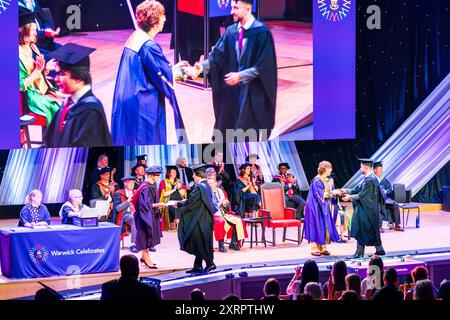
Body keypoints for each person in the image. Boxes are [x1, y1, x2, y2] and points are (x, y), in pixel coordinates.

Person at [186, 0, 277, 139]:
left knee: (247, 133)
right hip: (232, 94)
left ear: (247, 8)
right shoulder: (231, 31)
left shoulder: (262, 33)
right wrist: (201, 68)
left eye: (235, 8)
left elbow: (265, 66)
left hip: (252, 93)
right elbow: (216, 56)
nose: (231, 12)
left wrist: (241, 76)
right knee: (226, 129)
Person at [111, 0, 187, 146]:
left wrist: (172, 68)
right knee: (146, 140)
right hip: (142, 103)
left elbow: (151, 69)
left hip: (127, 98)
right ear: (154, 22)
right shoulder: (148, 45)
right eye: (162, 15)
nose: (165, 19)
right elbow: (162, 76)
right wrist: (183, 73)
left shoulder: (135, 37)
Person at [45, 43, 112, 147]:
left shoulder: (90, 111)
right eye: (57, 73)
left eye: (62, 74)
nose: (56, 79)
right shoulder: (66, 104)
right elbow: (50, 142)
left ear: (79, 77)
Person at [19, 8, 60, 125]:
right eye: (32, 30)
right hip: (28, 98)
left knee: (69, 102)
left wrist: (45, 69)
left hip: (40, 90)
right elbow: (19, 86)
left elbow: (35, 73)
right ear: (22, 31)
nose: (36, 33)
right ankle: (54, 140)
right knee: (58, 109)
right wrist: (37, 71)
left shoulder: (31, 46)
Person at [175, 164, 217, 274]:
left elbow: (191, 201)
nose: (192, 176)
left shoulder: (199, 187)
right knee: (200, 241)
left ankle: (210, 264)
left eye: (193, 174)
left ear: (197, 175)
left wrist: (179, 204)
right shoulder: (206, 185)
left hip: (200, 219)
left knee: (199, 241)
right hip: (204, 217)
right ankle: (197, 265)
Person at [341, 158, 385, 258]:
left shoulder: (371, 180)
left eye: (361, 167)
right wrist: (345, 190)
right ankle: (379, 250)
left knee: (362, 229)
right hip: (367, 209)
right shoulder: (367, 178)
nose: (360, 169)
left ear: (366, 167)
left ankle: (360, 252)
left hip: (368, 210)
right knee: (370, 230)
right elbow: (357, 190)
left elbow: (363, 195)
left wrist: (349, 198)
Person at [131, 166, 167, 269]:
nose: (158, 177)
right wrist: (159, 205)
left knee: (147, 236)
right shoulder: (145, 188)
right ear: (151, 175)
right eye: (157, 175)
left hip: (150, 214)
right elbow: (144, 206)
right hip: (144, 215)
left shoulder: (152, 185)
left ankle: (144, 257)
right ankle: (146, 258)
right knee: (144, 236)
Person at [304, 161, 341, 256]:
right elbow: (321, 195)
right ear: (325, 169)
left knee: (324, 225)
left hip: (323, 205)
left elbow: (330, 191)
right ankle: (314, 247)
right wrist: (333, 193)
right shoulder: (316, 181)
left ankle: (323, 246)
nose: (331, 170)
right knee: (316, 225)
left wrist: (336, 192)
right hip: (314, 206)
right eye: (330, 168)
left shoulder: (328, 180)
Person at [207, 168, 247, 252]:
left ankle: (233, 242)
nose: (210, 185)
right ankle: (221, 244)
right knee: (221, 222)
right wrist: (219, 203)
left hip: (224, 213)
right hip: (213, 214)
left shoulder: (221, 192)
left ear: (216, 183)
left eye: (212, 183)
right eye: (209, 183)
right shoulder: (206, 193)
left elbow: (228, 207)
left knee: (239, 220)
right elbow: (209, 206)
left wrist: (226, 204)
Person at [373, 161, 404, 231]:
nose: (381, 171)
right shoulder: (372, 179)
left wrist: (386, 191)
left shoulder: (383, 179)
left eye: (382, 169)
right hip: (377, 201)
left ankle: (397, 225)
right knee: (379, 206)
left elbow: (390, 187)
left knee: (395, 205)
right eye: (379, 169)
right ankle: (379, 226)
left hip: (385, 200)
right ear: (375, 170)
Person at [113, 176, 138, 253]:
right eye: (130, 182)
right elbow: (118, 208)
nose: (132, 184)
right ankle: (132, 244)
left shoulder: (136, 192)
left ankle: (138, 243)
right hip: (123, 214)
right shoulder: (119, 193)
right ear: (125, 183)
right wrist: (128, 201)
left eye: (133, 183)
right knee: (133, 218)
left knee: (139, 218)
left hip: (134, 213)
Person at [159, 165, 187, 231]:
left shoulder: (179, 182)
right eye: (173, 172)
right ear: (169, 173)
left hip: (179, 201)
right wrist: (174, 190)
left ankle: (180, 224)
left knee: (180, 206)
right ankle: (174, 224)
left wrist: (179, 188)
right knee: (173, 207)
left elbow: (183, 194)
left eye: (175, 172)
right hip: (168, 202)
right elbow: (164, 194)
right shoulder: (163, 182)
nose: (175, 173)